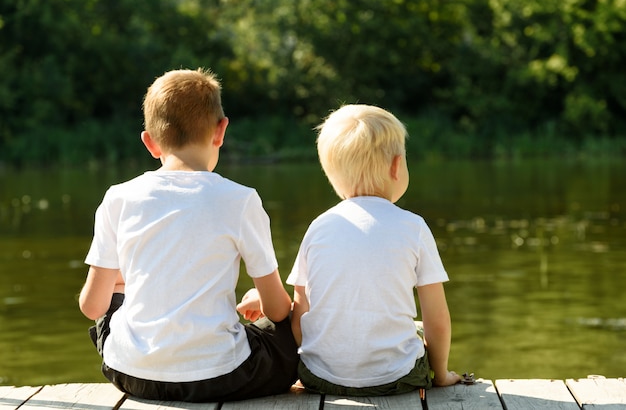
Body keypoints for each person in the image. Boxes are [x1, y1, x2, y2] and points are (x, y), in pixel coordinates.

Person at [78, 68, 299, 402]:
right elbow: (279, 311)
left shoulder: (119, 197)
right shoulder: (240, 200)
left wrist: (122, 284)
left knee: (117, 290)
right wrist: (266, 307)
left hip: (130, 374)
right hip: (221, 377)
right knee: (290, 325)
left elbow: (92, 307)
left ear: (149, 142)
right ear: (220, 130)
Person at [287, 104, 461, 396]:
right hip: (395, 378)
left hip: (320, 376)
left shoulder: (319, 226)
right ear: (396, 167)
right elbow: (437, 319)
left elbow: (300, 312)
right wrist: (440, 375)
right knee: (417, 328)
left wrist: (313, 366)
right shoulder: (413, 226)